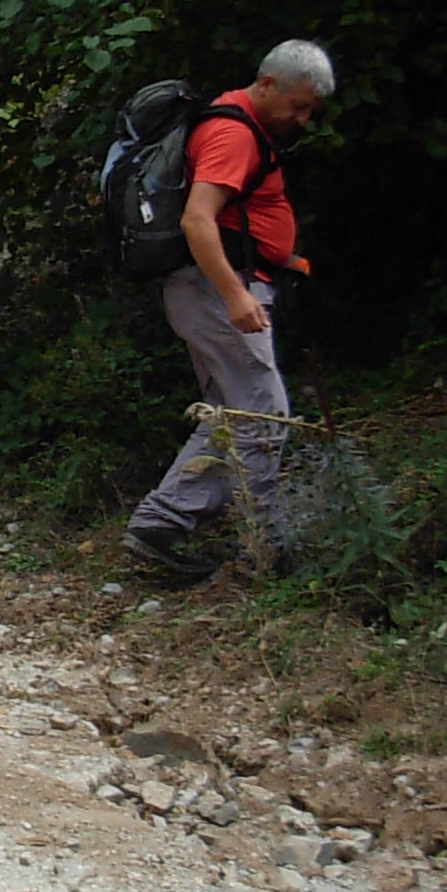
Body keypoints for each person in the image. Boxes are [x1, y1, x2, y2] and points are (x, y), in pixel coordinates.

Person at [121, 38, 335, 579]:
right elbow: (198, 220)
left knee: (231, 416)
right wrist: (236, 295)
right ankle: (265, 548)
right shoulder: (234, 133)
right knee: (262, 414)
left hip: (212, 288)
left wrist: (278, 259)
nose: (303, 120)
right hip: (214, 290)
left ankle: (161, 525)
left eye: (310, 109)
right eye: (298, 106)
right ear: (267, 84)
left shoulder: (238, 123)